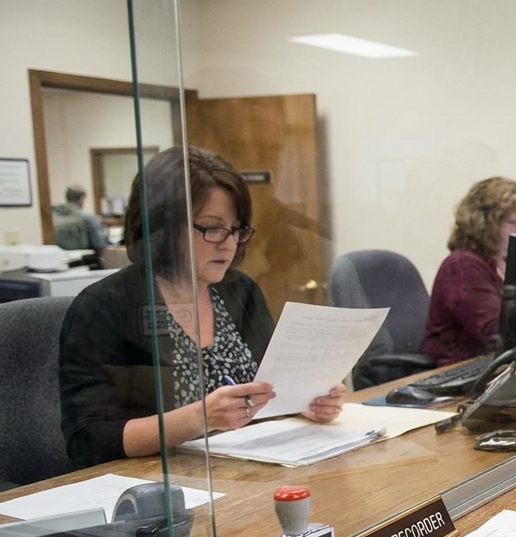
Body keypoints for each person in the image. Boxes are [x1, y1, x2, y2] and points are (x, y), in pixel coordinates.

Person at [59, 147, 345, 469]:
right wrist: (201, 417)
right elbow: (88, 440)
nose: (228, 242)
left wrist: (303, 402)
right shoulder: (105, 307)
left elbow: (267, 386)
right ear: (161, 227)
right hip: (156, 488)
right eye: (212, 227)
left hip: (247, 471)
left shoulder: (240, 291)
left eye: (236, 229)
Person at [422, 177, 516, 366]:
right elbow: (496, 332)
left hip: (491, 366)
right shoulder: (462, 266)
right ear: (490, 223)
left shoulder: (503, 263)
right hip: (456, 371)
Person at [51, 183, 107, 267]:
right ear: (82, 198)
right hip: (83, 263)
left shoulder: (53, 215)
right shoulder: (88, 218)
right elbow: (100, 245)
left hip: (59, 263)